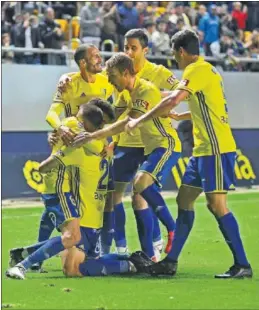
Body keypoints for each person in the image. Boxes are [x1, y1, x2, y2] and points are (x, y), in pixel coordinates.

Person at [125, 29, 252, 279]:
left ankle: (242, 265)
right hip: (202, 149)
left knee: (217, 205)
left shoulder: (196, 70)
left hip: (216, 149)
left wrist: (142, 117)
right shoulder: (206, 70)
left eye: (174, 55)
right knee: (184, 200)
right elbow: (202, 107)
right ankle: (170, 261)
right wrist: (178, 114)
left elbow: (175, 98)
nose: (176, 60)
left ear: (181, 52)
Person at [73, 53, 182, 262]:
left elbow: (127, 122)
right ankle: (149, 256)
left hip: (166, 144)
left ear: (125, 73)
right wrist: (82, 118)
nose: (111, 80)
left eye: (113, 75)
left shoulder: (145, 91)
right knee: (135, 196)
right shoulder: (125, 94)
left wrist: (93, 135)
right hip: (150, 148)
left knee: (140, 185)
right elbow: (111, 116)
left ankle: (172, 228)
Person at [6, 103, 106, 280]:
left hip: (58, 185)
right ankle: (22, 265)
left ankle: (23, 256)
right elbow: (96, 147)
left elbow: (54, 118)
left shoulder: (68, 124)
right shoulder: (76, 129)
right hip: (60, 186)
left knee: (72, 236)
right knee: (72, 236)